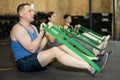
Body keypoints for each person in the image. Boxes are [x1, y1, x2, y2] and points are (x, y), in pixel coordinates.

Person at [10, 3, 108, 76]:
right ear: (21, 14)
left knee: (62, 46)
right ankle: (90, 68)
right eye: (29, 11)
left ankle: (94, 60)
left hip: (35, 57)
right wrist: (41, 34)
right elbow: (31, 49)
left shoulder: (33, 28)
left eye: (32, 11)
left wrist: (46, 34)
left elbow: (38, 47)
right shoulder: (18, 29)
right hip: (24, 63)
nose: (33, 13)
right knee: (55, 50)